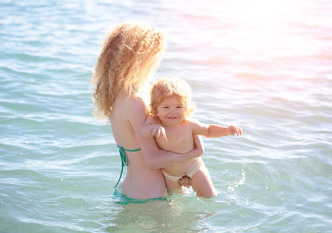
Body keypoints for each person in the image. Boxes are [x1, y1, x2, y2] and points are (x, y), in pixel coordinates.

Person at [91, 22, 204, 201]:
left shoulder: (118, 96)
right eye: (152, 56)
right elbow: (153, 160)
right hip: (151, 196)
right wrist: (193, 153)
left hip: (131, 190)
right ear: (137, 58)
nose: (154, 63)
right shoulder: (136, 101)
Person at [141, 78, 242, 198]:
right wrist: (152, 129)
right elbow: (143, 132)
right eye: (166, 107)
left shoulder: (189, 124)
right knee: (175, 201)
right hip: (170, 175)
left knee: (209, 196)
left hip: (194, 168)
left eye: (178, 107)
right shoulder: (154, 122)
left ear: (186, 107)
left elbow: (208, 130)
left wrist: (226, 130)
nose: (172, 112)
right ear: (156, 108)